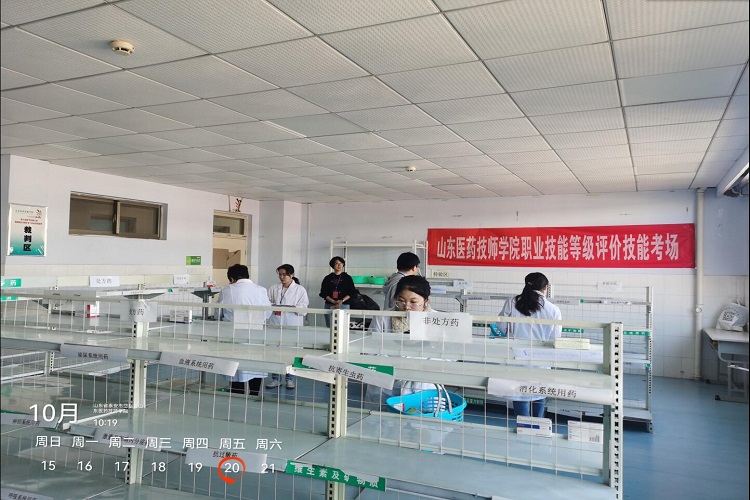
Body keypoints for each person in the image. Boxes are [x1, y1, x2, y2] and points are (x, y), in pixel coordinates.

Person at [497, 272, 562, 418]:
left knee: (519, 393)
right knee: (539, 391)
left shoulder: (512, 302)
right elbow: (556, 338)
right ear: (546, 287)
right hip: (541, 360)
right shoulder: (553, 310)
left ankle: (523, 426)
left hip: (517, 357)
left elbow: (501, 326)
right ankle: (537, 426)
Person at [366, 275, 435, 408]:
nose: (406, 307)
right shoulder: (383, 318)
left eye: (413, 302)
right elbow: (370, 349)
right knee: (381, 418)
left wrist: (420, 367)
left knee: (420, 418)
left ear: (426, 300)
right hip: (386, 387)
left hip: (422, 387)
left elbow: (447, 356)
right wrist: (394, 366)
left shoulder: (436, 320)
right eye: (401, 301)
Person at [218, 264, 271, 396]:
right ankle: (254, 395)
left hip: (234, 334)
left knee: (236, 368)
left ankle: (237, 396)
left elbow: (218, 312)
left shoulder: (227, 290)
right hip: (256, 334)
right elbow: (268, 313)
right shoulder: (261, 290)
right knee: (255, 366)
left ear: (232, 278)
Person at [265, 264, 309, 390]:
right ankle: (275, 378)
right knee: (274, 352)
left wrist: (292, 308)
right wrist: (273, 307)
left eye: (284, 275)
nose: (282, 277)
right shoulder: (273, 288)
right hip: (275, 323)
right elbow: (266, 303)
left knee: (291, 352)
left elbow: (304, 308)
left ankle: (290, 379)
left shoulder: (300, 290)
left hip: (291, 324)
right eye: (280, 274)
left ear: (292, 275)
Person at [319, 256, 356, 328]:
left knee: (343, 327)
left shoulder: (347, 278)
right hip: (330, 304)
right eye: (336, 263)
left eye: (341, 263)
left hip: (344, 304)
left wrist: (341, 300)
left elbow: (352, 292)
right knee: (330, 326)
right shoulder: (328, 278)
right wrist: (333, 301)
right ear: (333, 265)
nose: (339, 265)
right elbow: (323, 293)